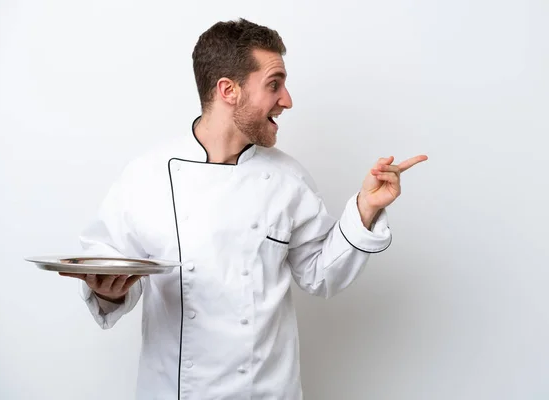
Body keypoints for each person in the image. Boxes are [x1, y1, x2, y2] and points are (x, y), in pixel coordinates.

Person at [60, 18, 427, 400]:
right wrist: (109, 293)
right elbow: (108, 266)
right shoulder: (146, 176)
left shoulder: (287, 179)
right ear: (228, 90)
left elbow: (321, 274)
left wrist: (366, 208)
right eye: (274, 84)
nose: (287, 99)